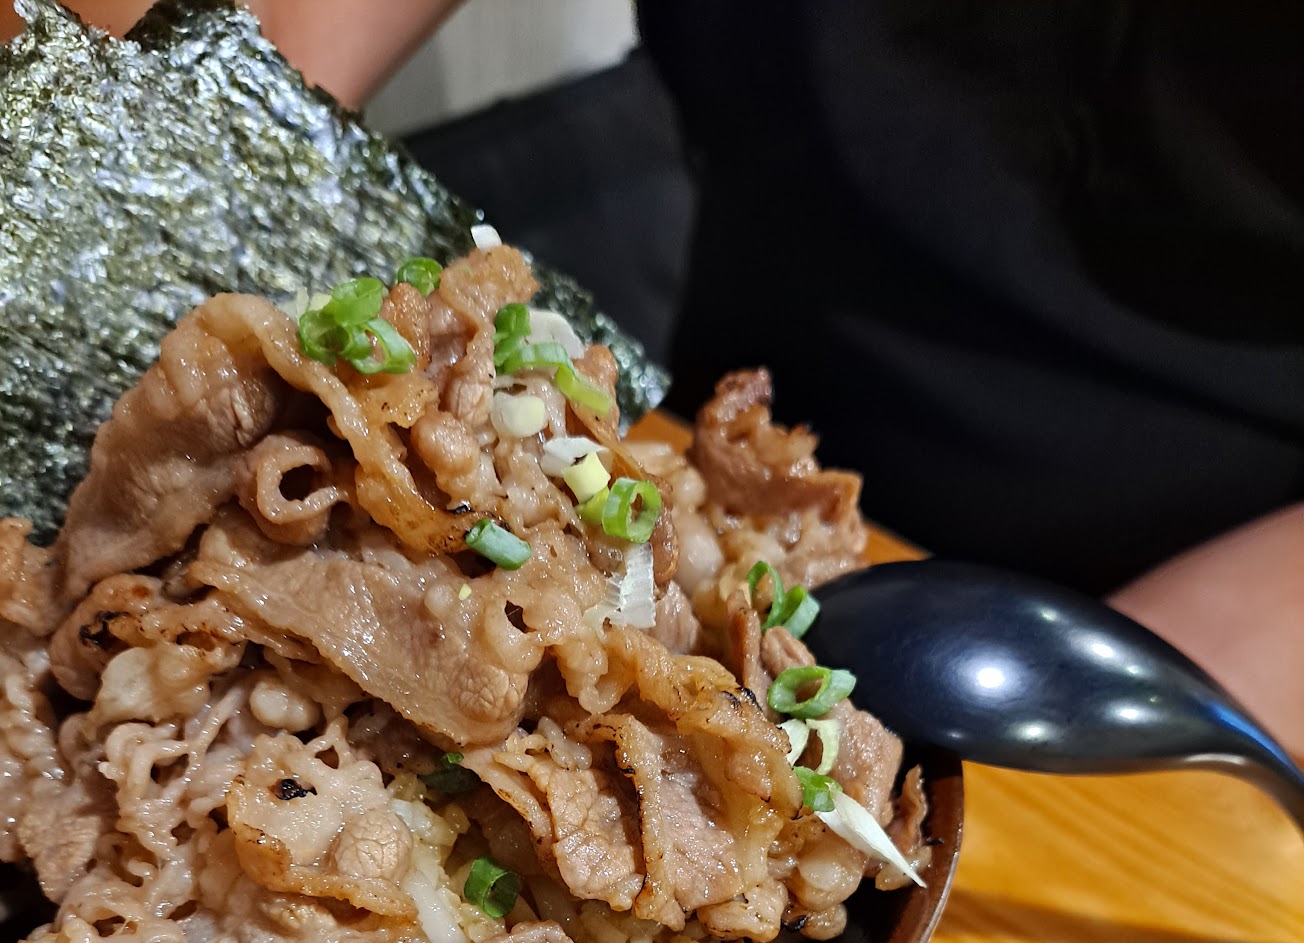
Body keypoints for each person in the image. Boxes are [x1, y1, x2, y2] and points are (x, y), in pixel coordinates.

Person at [3, 0, 1300, 757]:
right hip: (728, 420)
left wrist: (1131, 697)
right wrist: (164, 143)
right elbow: (220, 65)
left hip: (1211, 565)